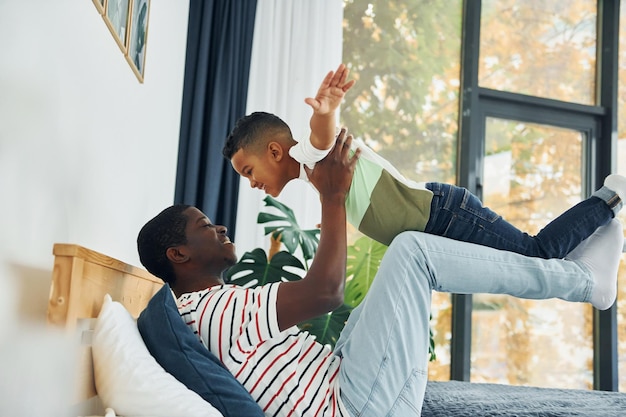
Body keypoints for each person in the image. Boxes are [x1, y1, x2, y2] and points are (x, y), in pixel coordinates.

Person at [138, 131, 624, 416]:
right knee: (414, 254)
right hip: (354, 405)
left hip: (351, 382)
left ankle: (597, 234)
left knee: (402, 270)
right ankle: (582, 279)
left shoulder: (208, 308)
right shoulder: (208, 311)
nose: (219, 225)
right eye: (205, 225)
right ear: (178, 255)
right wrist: (332, 196)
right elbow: (326, 292)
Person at [222, 64, 626, 259]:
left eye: (248, 171)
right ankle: (594, 231)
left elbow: (320, 135)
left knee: (536, 253)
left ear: (275, 151)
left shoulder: (312, 156)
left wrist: (325, 109)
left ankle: (610, 198)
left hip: (445, 215)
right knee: (532, 256)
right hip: (440, 218)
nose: (252, 182)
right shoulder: (320, 179)